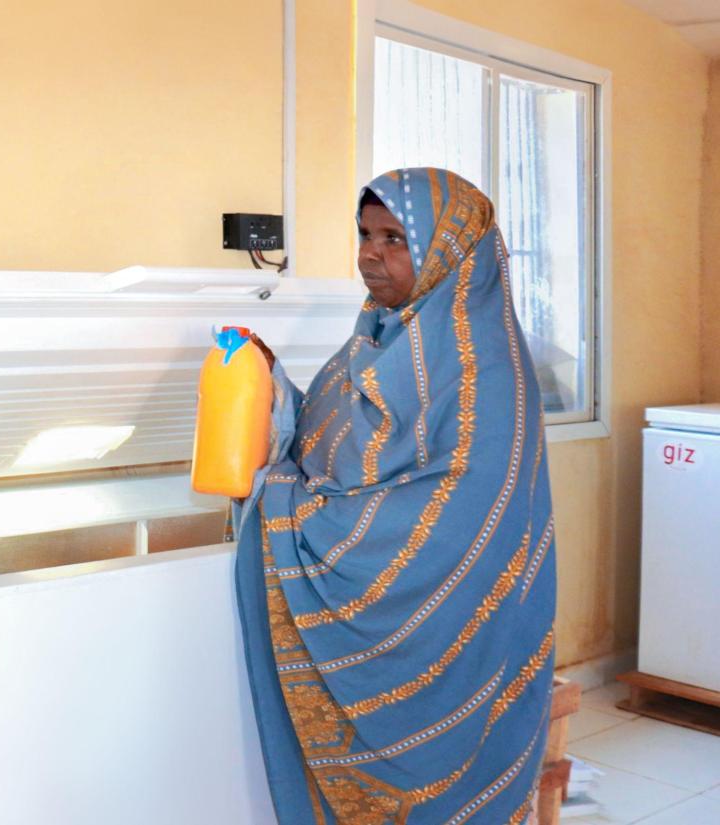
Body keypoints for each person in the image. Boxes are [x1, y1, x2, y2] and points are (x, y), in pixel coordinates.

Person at [238, 168, 556, 824]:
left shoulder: (484, 372)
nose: (368, 254)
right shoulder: (377, 338)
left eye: (394, 238)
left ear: (448, 251)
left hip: (449, 647)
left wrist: (285, 506)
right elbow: (329, 438)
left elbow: (454, 529)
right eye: (363, 233)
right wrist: (271, 382)